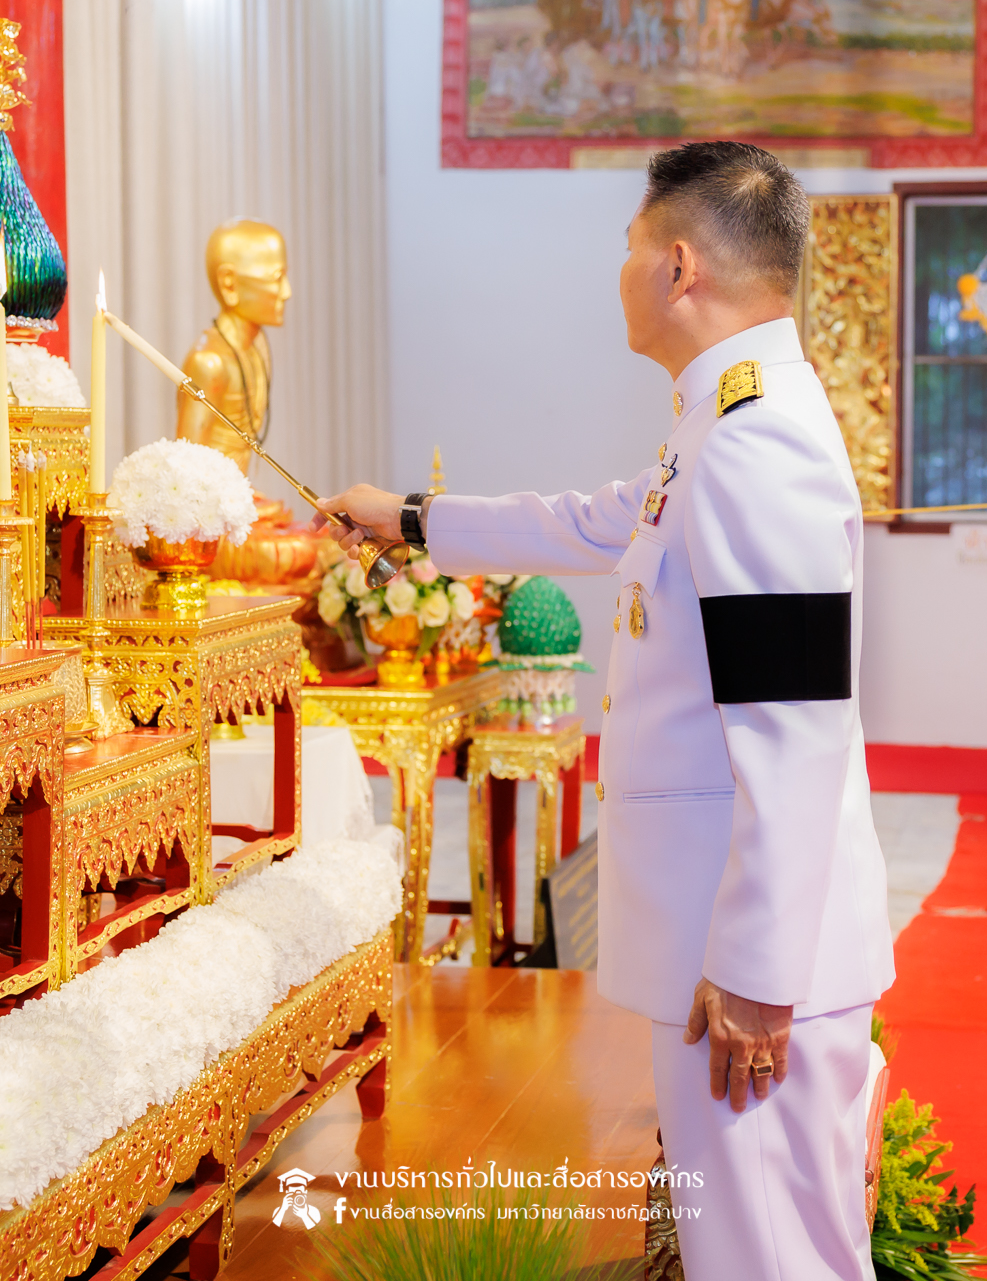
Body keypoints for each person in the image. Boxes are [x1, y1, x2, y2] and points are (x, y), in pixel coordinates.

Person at [319, 141, 892, 1281]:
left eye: (629, 248)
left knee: (771, 1261)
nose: (619, 272)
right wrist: (417, 520)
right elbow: (599, 520)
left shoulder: (758, 440)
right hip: (726, 938)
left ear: (679, 266)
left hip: (749, 959)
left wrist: (757, 971)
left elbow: (794, 725)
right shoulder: (725, 417)